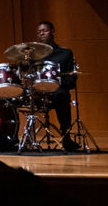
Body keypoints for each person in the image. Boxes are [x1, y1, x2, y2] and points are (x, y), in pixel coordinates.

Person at [35, 21, 79, 151]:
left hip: (56, 91)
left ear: (53, 32)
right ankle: (13, 138)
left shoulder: (65, 53)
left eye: (44, 30)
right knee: (12, 95)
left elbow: (71, 80)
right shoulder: (34, 55)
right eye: (39, 32)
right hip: (38, 92)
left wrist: (57, 82)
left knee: (62, 94)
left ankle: (66, 137)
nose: (41, 33)